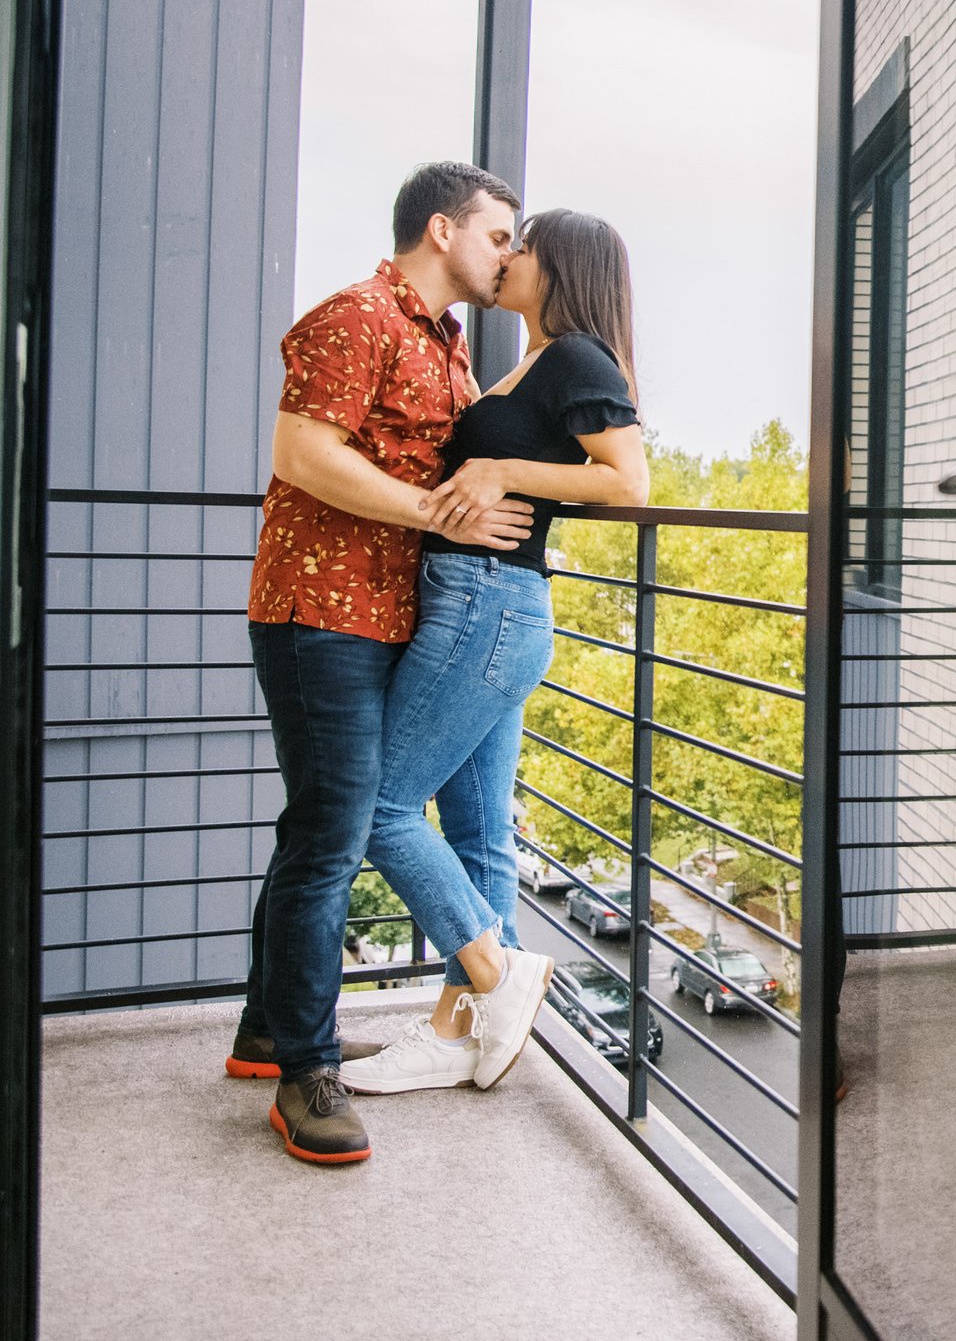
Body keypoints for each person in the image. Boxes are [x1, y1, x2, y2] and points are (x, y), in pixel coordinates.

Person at [230, 161, 534, 1165]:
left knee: (317, 825)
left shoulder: (443, 343)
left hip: (382, 618)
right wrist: (433, 510)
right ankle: (305, 1072)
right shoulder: (355, 316)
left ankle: (270, 1028)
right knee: (333, 833)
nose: (509, 253)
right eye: (498, 234)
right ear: (442, 229)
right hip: (322, 614)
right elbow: (302, 452)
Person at [338, 208, 648, 1096]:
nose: (506, 257)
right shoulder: (529, 361)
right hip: (482, 607)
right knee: (478, 835)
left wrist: (502, 472)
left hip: (488, 607)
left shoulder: (580, 356)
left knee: (378, 805)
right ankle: (458, 1033)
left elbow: (629, 481)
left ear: (562, 265)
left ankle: (499, 973)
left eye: (523, 244)